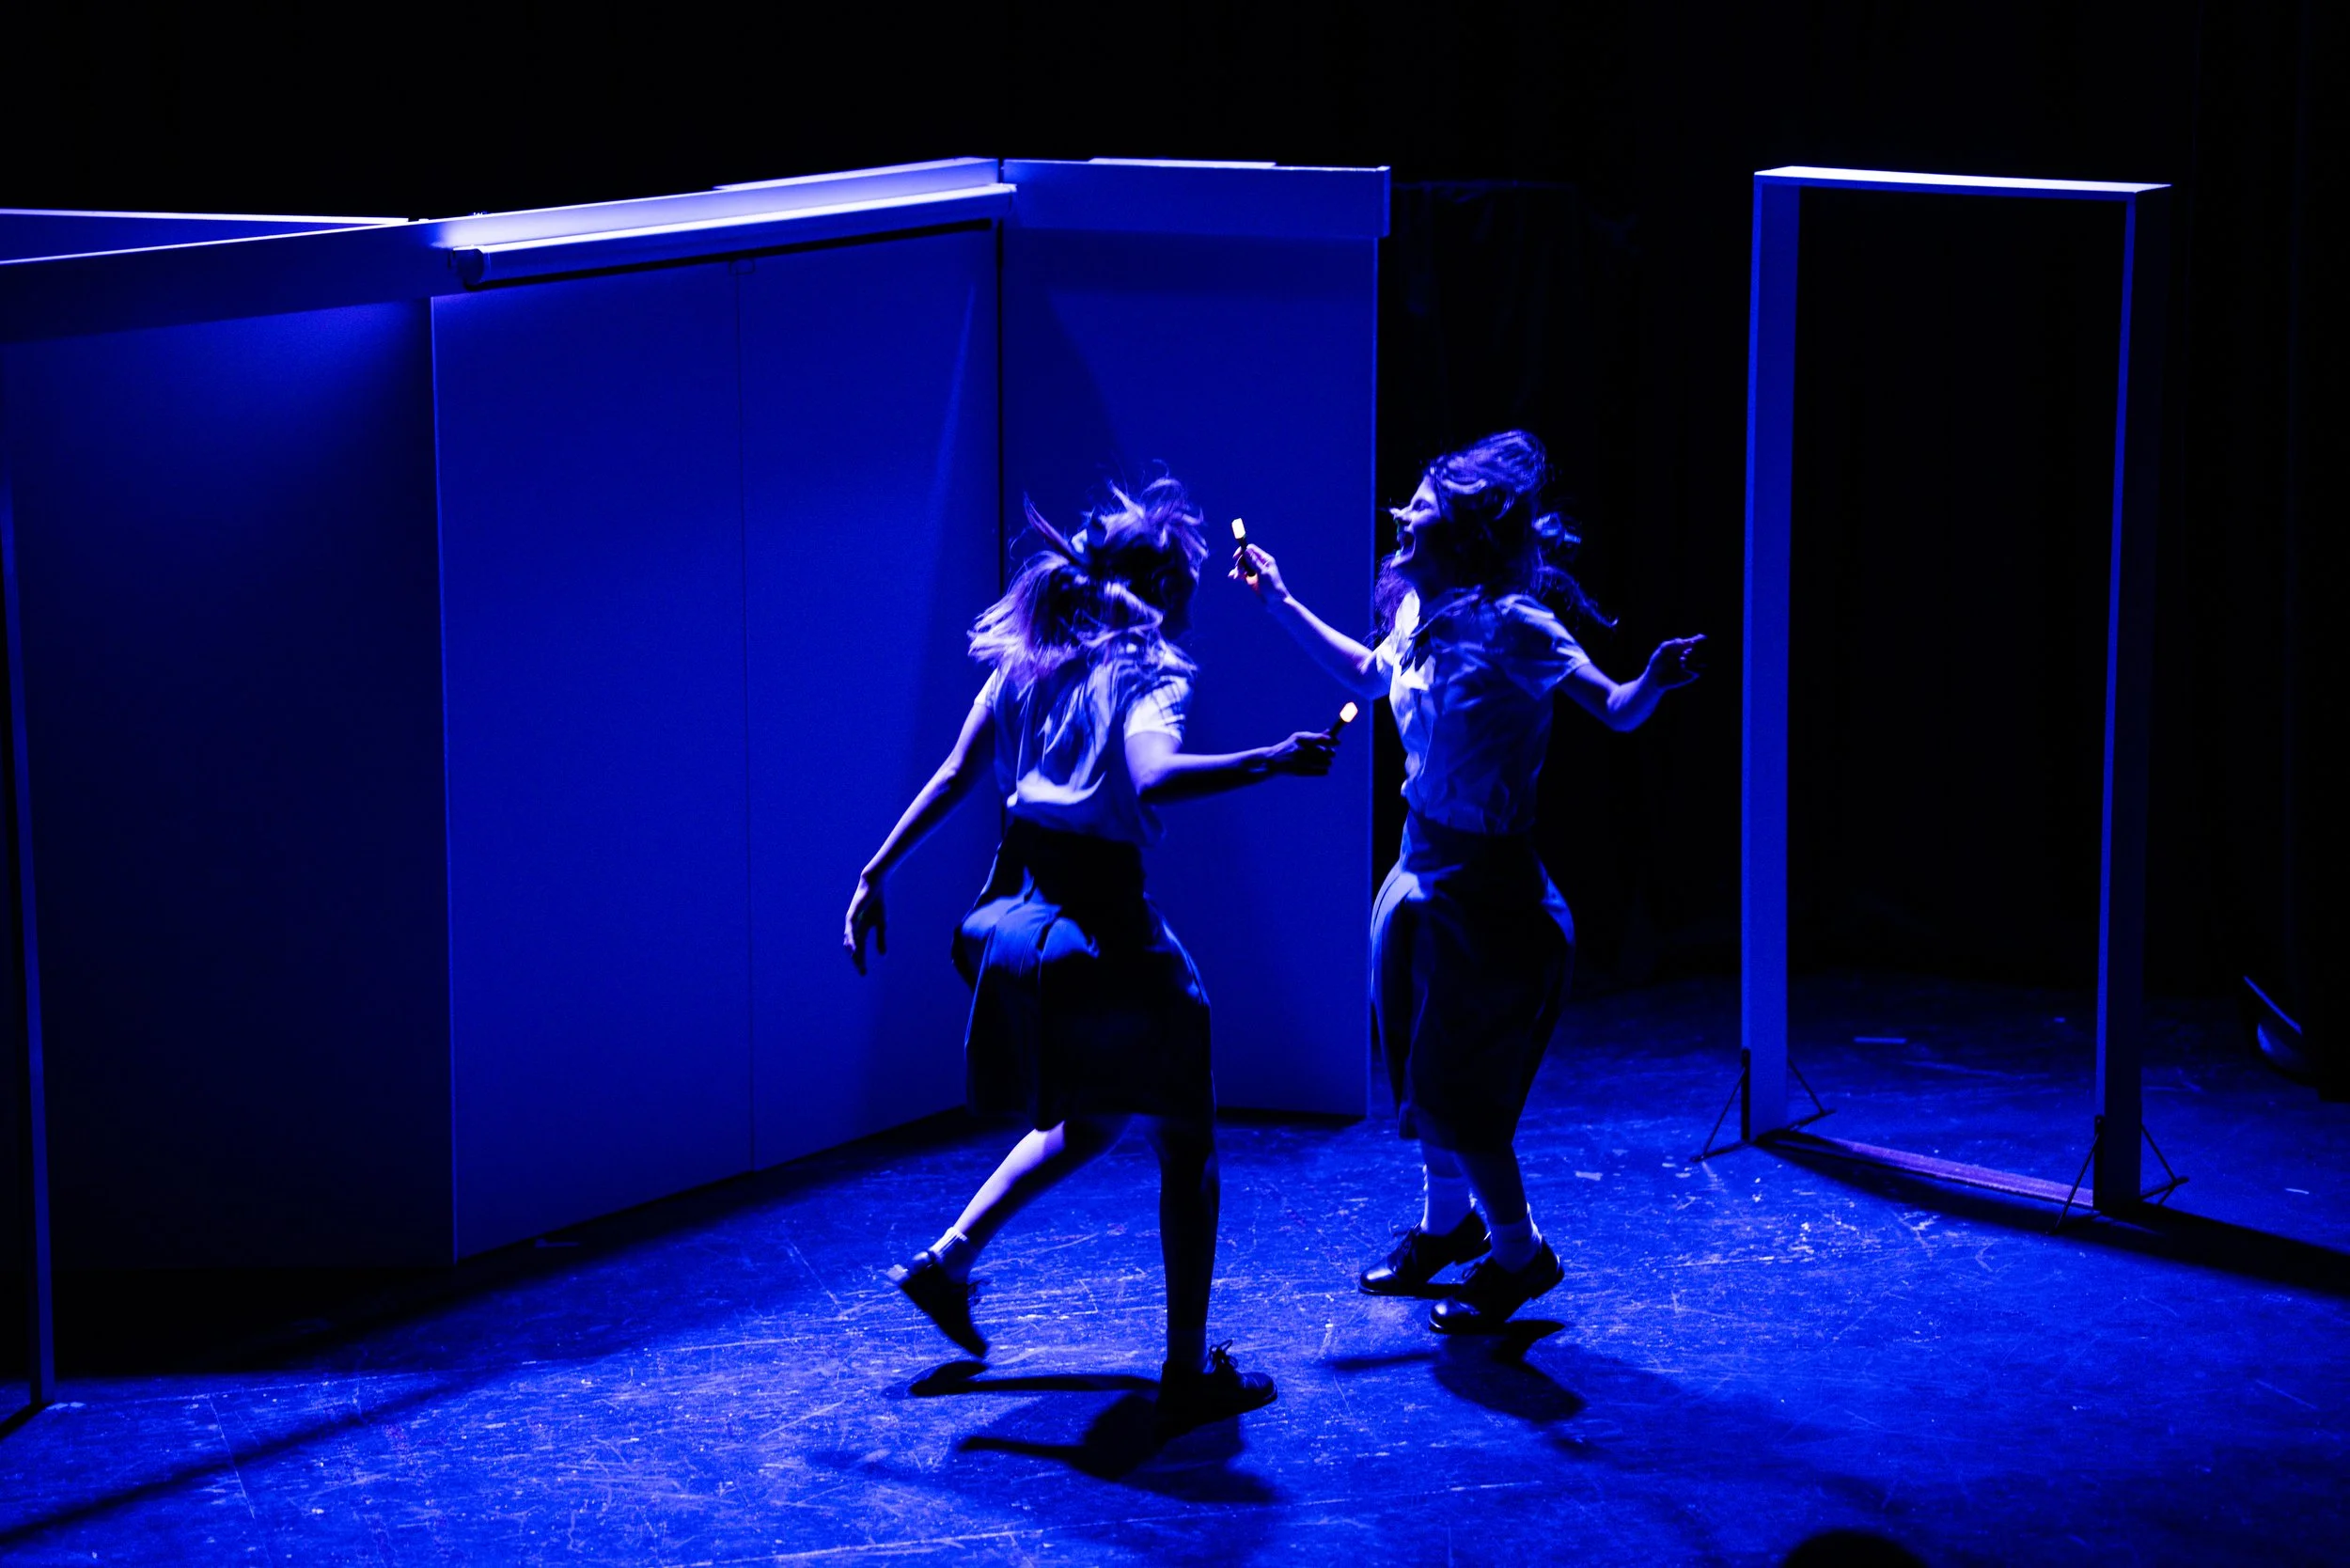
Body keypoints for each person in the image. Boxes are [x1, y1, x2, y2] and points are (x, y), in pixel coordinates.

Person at [846, 473, 1337, 1433]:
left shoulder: (1027, 661)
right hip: (1104, 933)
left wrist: (873, 873)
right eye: (1187, 579)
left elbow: (953, 778)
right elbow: (1151, 776)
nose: (1194, 597)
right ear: (1156, 587)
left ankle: (946, 1263)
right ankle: (1189, 1375)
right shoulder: (1147, 669)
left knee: (1098, 1118)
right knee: (1187, 1149)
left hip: (1020, 920)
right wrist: (1270, 760)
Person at [1232, 431, 1702, 1332]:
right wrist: (1281, 601)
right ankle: (1444, 1230)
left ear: (1467, 537)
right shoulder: (1420, 616)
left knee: (1460, 1086)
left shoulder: (1518, 628)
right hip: (1420, 871)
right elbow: (1368, 674)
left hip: (1489, 894)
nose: (1403, 518)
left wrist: (1652, 678)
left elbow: (1613, 709)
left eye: (1425, 511)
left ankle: (1521, 1255)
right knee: (1423, 1069)